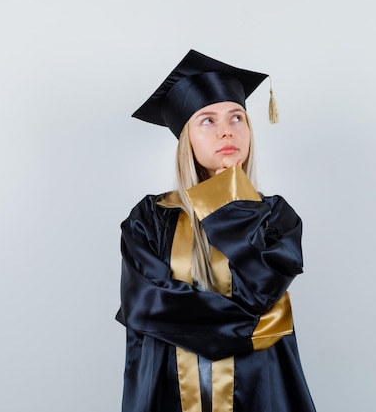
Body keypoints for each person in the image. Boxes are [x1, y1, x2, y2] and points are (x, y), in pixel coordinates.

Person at [115, 49, 316, 412]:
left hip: (258, 392)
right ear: (185, 139)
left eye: (237, 117)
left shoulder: (274, 216)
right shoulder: (149, 218)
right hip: (168, 392)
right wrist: (254, 328)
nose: (227, 129)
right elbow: (147, 305)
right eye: (207, 120)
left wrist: (231, 194)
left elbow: (262, 289)